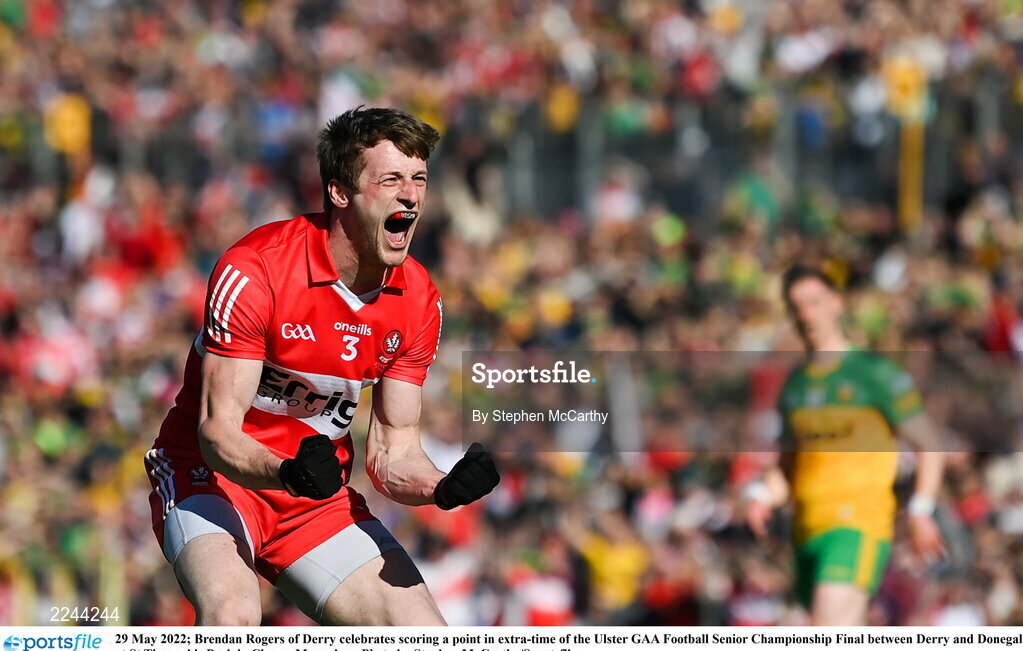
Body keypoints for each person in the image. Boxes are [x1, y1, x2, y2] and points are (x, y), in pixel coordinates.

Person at [144, 106, 500, 626]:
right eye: (392, 179)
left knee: (424, 632)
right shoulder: (256, 269)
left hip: (313, 500)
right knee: (232, 617)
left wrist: (440, 487)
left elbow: (392, 452)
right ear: (339, 192)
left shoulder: (420, 298)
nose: (411, 195)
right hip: (212, 478)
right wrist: (285, 470)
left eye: (419, 179)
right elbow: (217, 434)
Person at [744, 265, 944, 625]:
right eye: (797, 306)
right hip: (806, 532)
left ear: (837, 303)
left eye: (814, 302)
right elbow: (788, 466)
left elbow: (930, 443)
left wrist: (921, 509)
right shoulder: (795, 385)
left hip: (857, 523)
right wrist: (761, 495)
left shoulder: (873, 373)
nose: (807, 314)